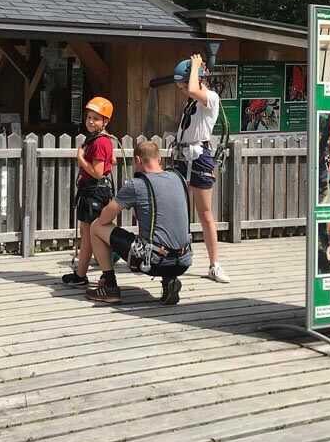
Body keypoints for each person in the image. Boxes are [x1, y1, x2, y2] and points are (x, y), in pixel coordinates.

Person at [85, 140, 192, 305]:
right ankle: (169, 280)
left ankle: (109, 285)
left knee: (96, 226)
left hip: (153, 262)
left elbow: (105, 218)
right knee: (161, 235)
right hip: (184, 260)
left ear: (137, 160)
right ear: (159, 159)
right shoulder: (178, 179)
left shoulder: (137, 185)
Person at [172, 53, 229, 283]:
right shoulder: (191, 102)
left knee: (205, 213)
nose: (184, 90)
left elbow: (196, 90)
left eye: (184, 85)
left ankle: (214, 264)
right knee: (178, 208)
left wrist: (196, 66)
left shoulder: (211, 97)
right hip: (183, 155)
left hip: (200, 155)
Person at [62, 97, 116, 287]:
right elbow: (113, 162)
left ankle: (84, 275)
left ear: (105, 121)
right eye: (89, 118)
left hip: (93, 191)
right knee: (90, 232)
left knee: (89, 234)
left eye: (96, 118)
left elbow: (97, 172)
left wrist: (81, 159)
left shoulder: (99, 142)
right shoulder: (103, 139)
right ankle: (83, 274)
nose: (91, 122)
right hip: (95, 191)